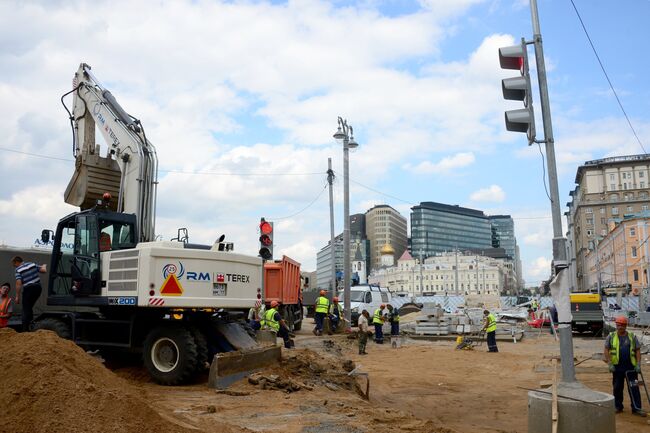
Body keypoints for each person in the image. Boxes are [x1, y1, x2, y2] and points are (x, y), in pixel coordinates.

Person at [604, 316, 645, 416]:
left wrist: (638, 364)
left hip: (631, 368)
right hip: (617, 367)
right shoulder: (611, 336)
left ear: (626, 326)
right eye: (618, 325)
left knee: (634, 387)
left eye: (622, 325)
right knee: (617, 388)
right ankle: (618, 406)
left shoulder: (632, 336)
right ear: (616, 325)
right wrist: (610, 364)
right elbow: (606, 349)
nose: (620, 327)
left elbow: (637, 350)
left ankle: (637, 408)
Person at [12, 256, 46, 332]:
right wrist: (44, 266)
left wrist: (17, 296)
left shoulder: (18, 269)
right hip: (38, 288)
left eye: (14, 264)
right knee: (29, 307)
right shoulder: (32, 264)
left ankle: (25, 330)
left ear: (17, 262)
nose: (14, 266)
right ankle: (31, 325)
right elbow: (43, 271)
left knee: (25, 309)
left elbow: (18, 283)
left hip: (29, 289)